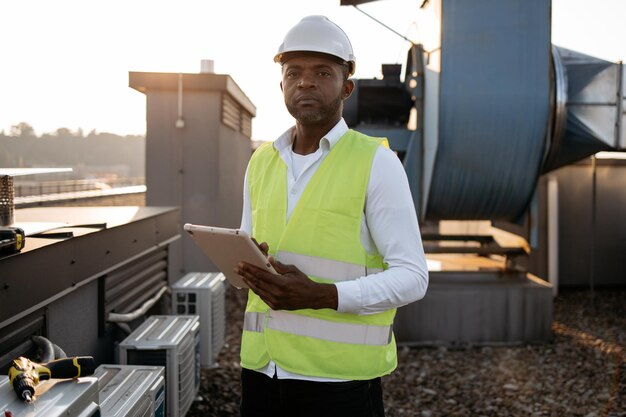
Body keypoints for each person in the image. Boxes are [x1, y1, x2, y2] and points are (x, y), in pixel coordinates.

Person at [233, 15, 429, 417]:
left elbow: (413, 277)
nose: (305, 82)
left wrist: (324, 295)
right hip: (261, 374)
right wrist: (248, 264)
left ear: (347, 87)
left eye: (322, 72)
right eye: (294, 73)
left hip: (338, 386)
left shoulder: (377, 163)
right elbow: (246, 251)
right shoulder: (261, 162)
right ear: (282, 85)